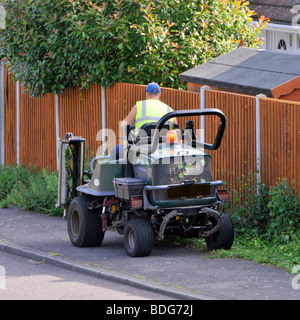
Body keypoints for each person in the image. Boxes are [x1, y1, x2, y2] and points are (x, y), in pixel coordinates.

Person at [110, 82, 176, 160]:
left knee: (115, 151)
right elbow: (176, 131)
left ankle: (126, 172)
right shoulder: (169, 110)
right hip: (162, 147)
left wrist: (131, 132)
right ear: (160, 94)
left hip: (140, 146)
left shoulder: (139, 106)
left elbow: (124, 124)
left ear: (147, 94)